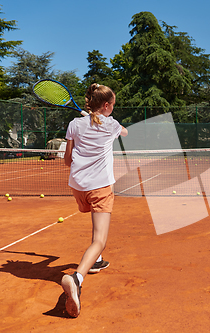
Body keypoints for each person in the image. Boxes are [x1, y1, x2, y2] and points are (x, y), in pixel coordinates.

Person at [61, 83, 128, 318]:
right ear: (107, 105)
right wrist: (99, 120)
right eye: (113, 105)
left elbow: (68, 161)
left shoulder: (74, 124)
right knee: (100, 239)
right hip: (100, 187)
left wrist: (86, 120)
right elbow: (125, 132)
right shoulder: (112, 125)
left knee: (94, 219)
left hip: (78, 187)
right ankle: (76, 279)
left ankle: (96, 261)